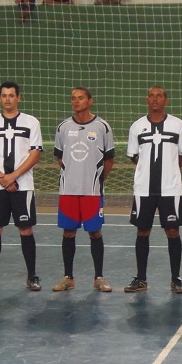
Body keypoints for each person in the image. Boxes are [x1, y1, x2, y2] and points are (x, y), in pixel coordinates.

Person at [0, 81, 42, 292]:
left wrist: (13, 177)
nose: (7, 99)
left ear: (18, 98)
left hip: (23, 185)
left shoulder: (31, 122)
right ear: (0, 98)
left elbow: (35, 153)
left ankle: (32, 276)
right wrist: (1, 178)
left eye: (11, 95)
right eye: (4, 95)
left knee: (26, 229)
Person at [124, 86, 182, 294]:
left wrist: (168, 172)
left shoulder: (178, 125)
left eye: (159, 96)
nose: (154, 99)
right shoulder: (137, 127)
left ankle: (176, 279)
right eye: (151, 96)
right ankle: (141, 278)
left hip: (170, 189)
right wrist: (147, 171)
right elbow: (134, 156)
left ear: (165, 101)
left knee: (173, 231)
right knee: (142, 231)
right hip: (144, 189)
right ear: (146, 100)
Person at [51, 87, 115, 292]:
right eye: (73, 98)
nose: (76, 102)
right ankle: (68, 277)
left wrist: (97, 179)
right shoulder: (63, 127)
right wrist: (72, 174)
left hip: (92, 191)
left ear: (90, 101)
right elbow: (60, 157)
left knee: (95, 232)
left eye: (80, 98)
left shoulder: (102, 127)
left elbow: (109, 159)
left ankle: (99, 278)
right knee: (68, 232)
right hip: (68, 190)